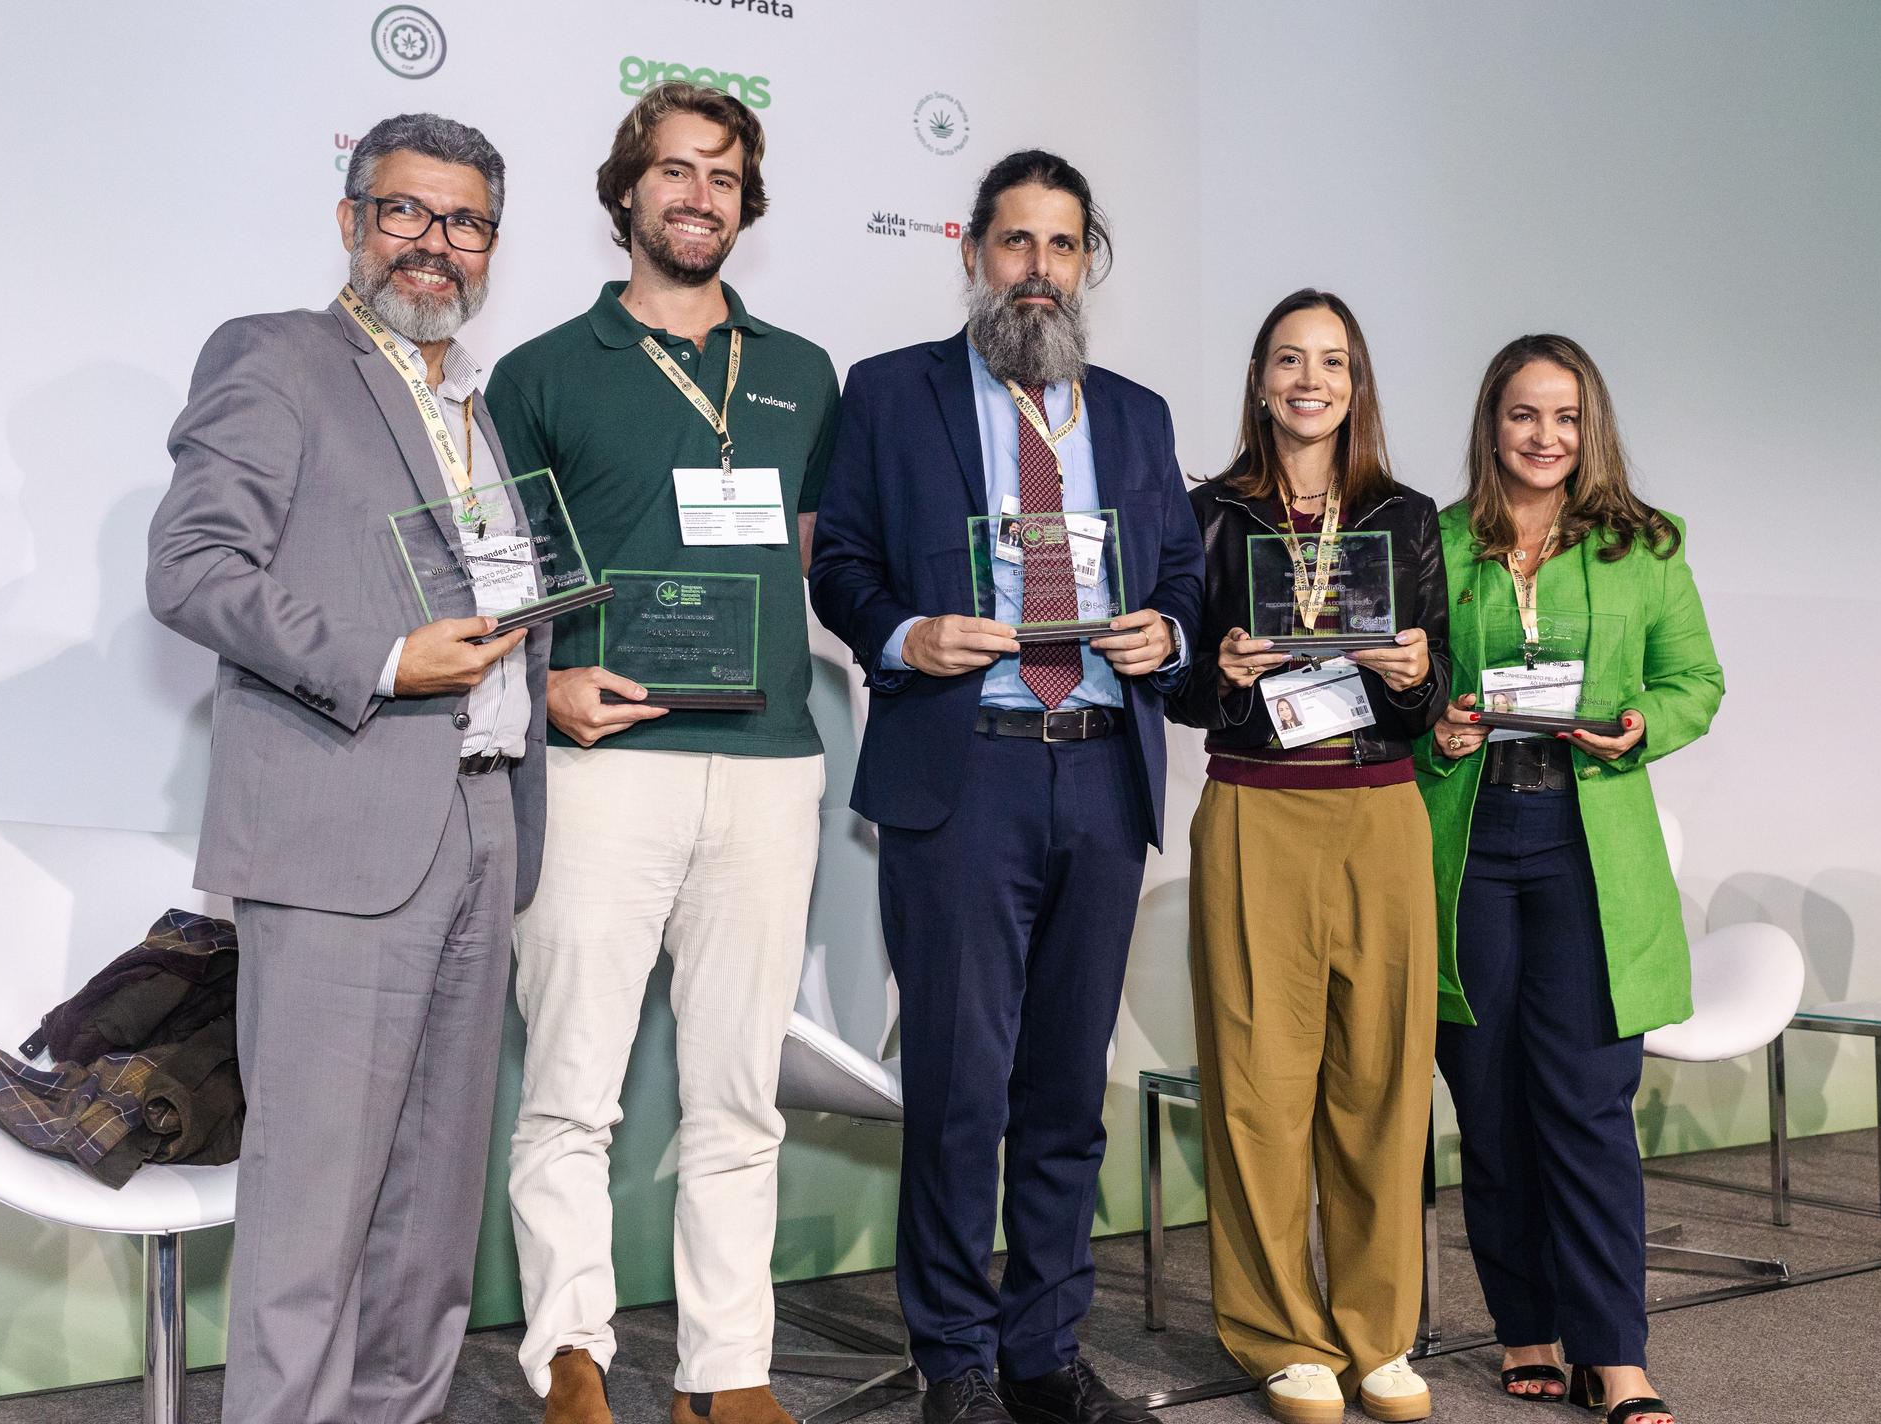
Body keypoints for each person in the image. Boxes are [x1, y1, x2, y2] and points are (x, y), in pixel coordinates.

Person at [146, 112, 547, 1423]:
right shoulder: (276, 359)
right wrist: (381, 658)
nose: (436, 244)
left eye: (466, 221)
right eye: (407, 213)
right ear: (350, 221)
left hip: (483, 827)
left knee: (429, 1233)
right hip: (339, 834)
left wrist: (551, 681)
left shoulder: (471, 404)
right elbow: (195, 568)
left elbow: (488, 607)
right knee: (309, 1235)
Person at [809, 150, 1203, 1424]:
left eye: (1062, 245)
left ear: (1088, 263)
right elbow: (843, 562)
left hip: (1098, 770)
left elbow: (1186, 571)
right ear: (972, 251)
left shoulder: (1135, 414)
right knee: (961, 1090)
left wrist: (1171, 635)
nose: (1039, 269)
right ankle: (957, 1358)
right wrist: (902, 634)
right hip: (963, 772)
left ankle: (1044, 1349)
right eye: (1015, 242)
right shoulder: (890, 393)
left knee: (1062, 1093)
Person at [485, 82, 840, 1424]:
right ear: (627, 191)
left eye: (726, 174)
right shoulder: (537, 376)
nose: (700, 194)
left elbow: (824, 558)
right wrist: (543, 684)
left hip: (768, 762)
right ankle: (569, 1352)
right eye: (675, 170)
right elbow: (494, 572)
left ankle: (726, 1370)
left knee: (737, 1096)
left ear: (749, 202)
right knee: (572, 1085)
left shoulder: (807, 373)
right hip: (601, 763)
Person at [1419, 336, 1721, 1424]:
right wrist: (1435, 732)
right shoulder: (1437, 542)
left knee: (1589, 1105)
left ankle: (1617, 1351)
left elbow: (1698, 680)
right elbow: (1400, 691)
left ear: (1590, 428)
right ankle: (1526, 1325)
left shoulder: (1646, 545)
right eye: (1522, 416)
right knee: (1491, 1103)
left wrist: (1641, 723)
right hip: (1469, 835)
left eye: (1565, 417)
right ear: (1490, 424)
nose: (1544, 438)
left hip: (1585, 839)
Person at [1169, 289, 1449, 1424]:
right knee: (1259, 1092)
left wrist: (1413, 669)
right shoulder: (1210, 512)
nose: (1310, 378)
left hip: (1381, 810)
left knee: (1383, 1084)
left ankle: (1378, 1334)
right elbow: (1176, 685)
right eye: (1289, 358)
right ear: (1260, 377)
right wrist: (1219, 670)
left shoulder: (1407, 513)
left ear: (1357, 379)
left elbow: (1429, 702)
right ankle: (1283, 1333)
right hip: (1257, 810)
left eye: (1331, 360)